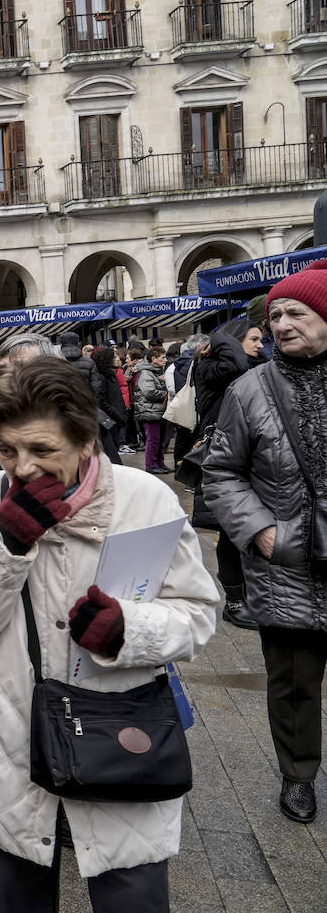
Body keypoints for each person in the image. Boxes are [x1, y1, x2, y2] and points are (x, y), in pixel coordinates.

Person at [0, 357, 219, 913]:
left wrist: (128, 631)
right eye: (7, 450)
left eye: (41, 451)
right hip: (7, 748)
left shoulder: (146, 499)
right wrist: (4, 547)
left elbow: (198, 614)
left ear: (85, 442)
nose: (22, 468)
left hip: (123, 741)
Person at [203, 262, 327, 824]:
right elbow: (221, 472)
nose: (281, 323)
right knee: (293, 682)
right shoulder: (248, 390)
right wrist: (260, 531)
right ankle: (297, 776)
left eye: (295, 312)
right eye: (275, 315)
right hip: (287, 564)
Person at [0, 335, 124, 492]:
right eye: (1, 371)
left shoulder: (89, 423)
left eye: (23, 369)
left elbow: (112, 487)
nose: (10, 379)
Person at [193, 320, 264, 630]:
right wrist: (221, 336)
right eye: (255, 339)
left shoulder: (255, 369)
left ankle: (251, 596)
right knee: (231, 533)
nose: (262, 345)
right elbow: (236, 361)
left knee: (248, 530)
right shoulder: (214, 370)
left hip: (253, 461)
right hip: (225, 461)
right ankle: (235, 601)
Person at [131, 345, 170, 474]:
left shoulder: (156, 372)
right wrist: (166, 393)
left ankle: (160, 463)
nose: (165, 360)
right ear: (153, 359)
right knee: (153, 440)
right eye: (163, 357)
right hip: (149, 412)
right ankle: (151, 465)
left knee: (160, 440)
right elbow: (149, 392)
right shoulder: (146, 373)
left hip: (158, 411)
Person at [169, 334, 206, 468]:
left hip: (183, 404)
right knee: (190, 440)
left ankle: (179, 468)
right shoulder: (193, 361)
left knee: (182, 438)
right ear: (198, 346)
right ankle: (185, 471)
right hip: (193, 405)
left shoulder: (181, 361)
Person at [91, 347, 128, 451]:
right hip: (109, 423)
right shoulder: (102, 377)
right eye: (115, 356)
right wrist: (117, 416)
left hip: (115, 421)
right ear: (107, 359)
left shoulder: (112, 375)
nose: (118, 358)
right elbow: (102, 402)